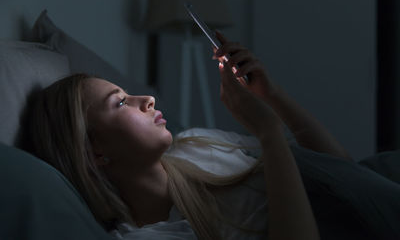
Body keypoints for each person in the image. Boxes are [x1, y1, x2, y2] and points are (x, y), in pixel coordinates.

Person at [27, 31, 367, 240]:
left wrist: (272, 96)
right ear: (94, 152)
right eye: (120, 103)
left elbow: (348, 177)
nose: (147, 100)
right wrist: (269, 133)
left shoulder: (197, 143)